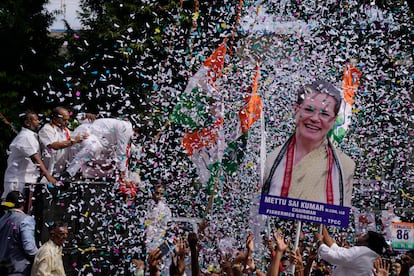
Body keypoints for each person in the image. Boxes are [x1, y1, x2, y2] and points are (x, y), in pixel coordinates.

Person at [262, 79, 355, 207]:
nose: (315, 119)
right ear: (296, 110)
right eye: (309, 110)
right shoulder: (268, 159)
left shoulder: (345, 166)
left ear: (333, 120)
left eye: (324, 114)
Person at [2, 111, 56, 200]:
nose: (38, 122)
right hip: (17, 181)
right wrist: (49, 177)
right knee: (13, 208)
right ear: (27, 123)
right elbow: (35, 159)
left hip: (26, 180)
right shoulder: (25, 137)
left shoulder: (32, 135)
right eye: (35, 120)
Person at [65, 117, 135, 182]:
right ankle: (69, 173)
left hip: (99, 143)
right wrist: (123, 177)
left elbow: (124, 156)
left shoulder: (127, 133)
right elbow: (121, 153)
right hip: (86, 135)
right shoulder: (125, 128)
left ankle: (85, 176)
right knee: (93, 147)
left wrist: (125, 175)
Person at [316, 225, 388, 275]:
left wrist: (319, 241)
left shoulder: (362, 252)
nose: (360, 236)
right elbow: (335, 249)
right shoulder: (367, 255)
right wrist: (322, 225)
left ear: (366, 243)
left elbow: (333, 257)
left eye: (364, 236)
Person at [38, 106, 87, 177]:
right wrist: (74, 140)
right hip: (47, 173)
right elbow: (54, 146)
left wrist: (83, 137)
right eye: (64, 120)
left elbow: (73, 141)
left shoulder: (66, 130)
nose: (67, 122)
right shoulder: (47, 129)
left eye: (68, 120)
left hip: (61, 173)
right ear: (55, 118)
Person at [0, 191, 38, 275]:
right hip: (19, 270)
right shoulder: (26, 220)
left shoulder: (2, 219)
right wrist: (42, 255)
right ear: (23, 203)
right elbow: (29, 248)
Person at [145, 184, 172, 252]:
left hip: (158, 241)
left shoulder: (166, 209)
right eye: (157, 193)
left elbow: (167, 226)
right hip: (146, 238)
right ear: (153, 192)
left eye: (161, 194)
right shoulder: (146, 206)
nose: (159, 196)